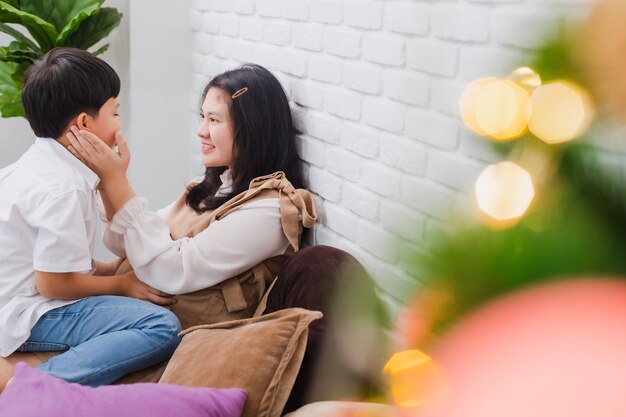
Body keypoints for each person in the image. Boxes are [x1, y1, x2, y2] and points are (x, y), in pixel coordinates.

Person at [67, 64, 317, 333]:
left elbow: (174, 270)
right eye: (202, 117)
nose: (201, 130)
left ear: (253, 128)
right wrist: (107, 184)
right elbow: (126, 244)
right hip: (137, 318)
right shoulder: (211, 186)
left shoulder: (271, 211)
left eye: (214, 120)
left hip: (172, 333)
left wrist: (117, 180)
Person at [0, 48, 181, 391]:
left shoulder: (33, 167)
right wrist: (121, 285)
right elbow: (52, 283)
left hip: (12, 299)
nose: (119, 124)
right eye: (115, 113)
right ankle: (35, 388)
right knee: (160, 325)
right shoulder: (64, 188)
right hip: (25, 312)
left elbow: (46, 257)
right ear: (84, 124)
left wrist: (105, 269)